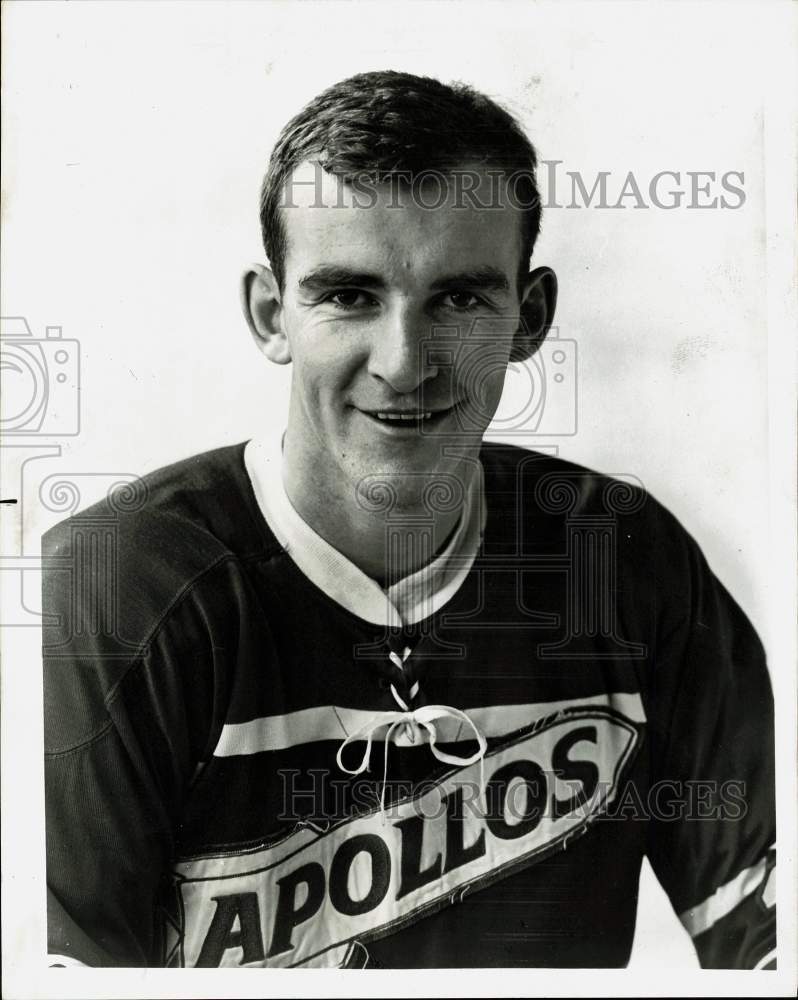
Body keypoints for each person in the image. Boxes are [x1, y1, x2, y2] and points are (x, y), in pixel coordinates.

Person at [42, 70, 776, 970]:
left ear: (530, 316)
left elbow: (771, 945)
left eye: (460, 300)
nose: (404, 362)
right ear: (273, 315)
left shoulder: (617, 558)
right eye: (349, 296)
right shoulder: (113, 588)